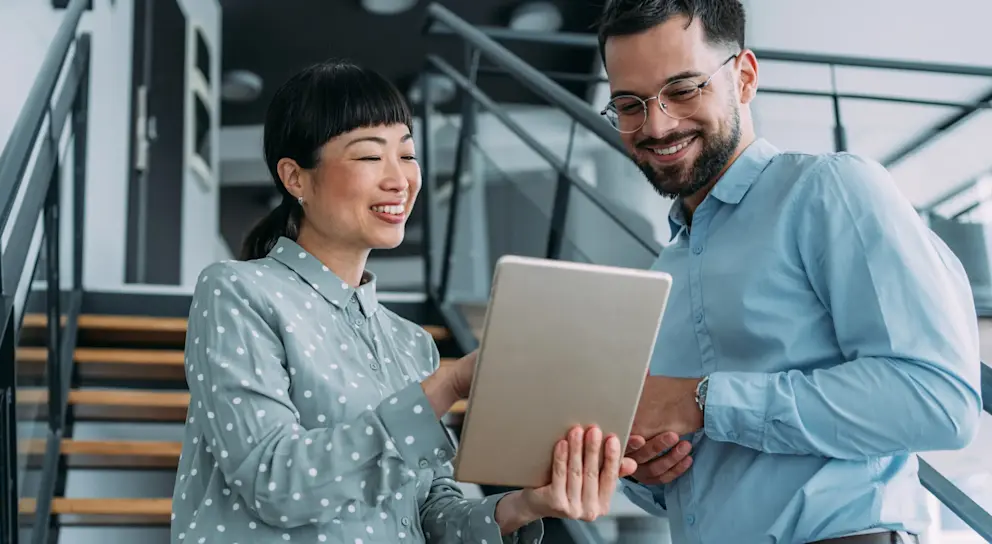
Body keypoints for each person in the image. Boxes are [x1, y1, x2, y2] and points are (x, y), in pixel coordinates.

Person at [171, 60, 635, 544]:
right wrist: (449, 384)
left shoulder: (411, 344)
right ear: (295, 178)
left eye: (407, 155)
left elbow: (430, 515)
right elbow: (275, 484)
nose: (399, 179)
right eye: (370, 157)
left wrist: (526, 503)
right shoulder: (237, 292)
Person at [593, 1, 984, 543]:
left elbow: (939, 400)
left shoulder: (831, 191)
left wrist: (702, 401)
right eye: (630, 104)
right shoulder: (666, 272)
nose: (657, 124)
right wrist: (646, 471)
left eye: (683, 90)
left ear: (745, 77)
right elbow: (700, 474)